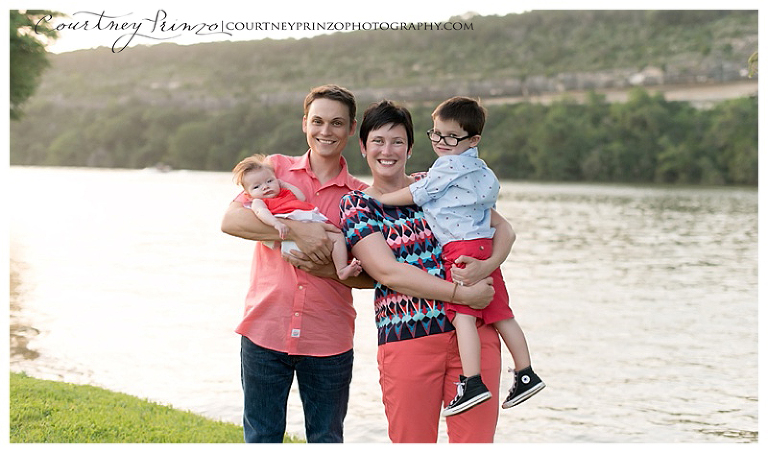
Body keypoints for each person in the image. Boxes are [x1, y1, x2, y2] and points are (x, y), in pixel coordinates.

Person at [340, 99, 514, 442]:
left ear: (410, 148)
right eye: (377, 141)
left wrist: (488, 267)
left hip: (473, 339)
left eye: (398, 141)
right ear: (363, 147)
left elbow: (502, 230)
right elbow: (388, 272)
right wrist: (462, 293)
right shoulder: (358, 204)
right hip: (408, 340)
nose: (387, 150)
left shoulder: (438, 182)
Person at [369, 96, 545, 416]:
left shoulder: (445, 168)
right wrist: (490, 263)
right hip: (482, 244)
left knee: (463, 314)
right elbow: (491, 211)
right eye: (435, 134)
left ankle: (471, 381)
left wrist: (382, 200)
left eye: (449, 137)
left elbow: (415, 194)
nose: (440, 142)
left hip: (461, 249)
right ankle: (526, 372)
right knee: (502, 314)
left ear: (473, 139)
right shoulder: (480, 169)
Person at [220, 84, 369, 443]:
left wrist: (327, 270)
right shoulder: (274, 169)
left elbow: (374, 278)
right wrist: (299, 232)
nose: (325, 131)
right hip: (265, 330)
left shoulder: (363, 196)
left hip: (328, 340)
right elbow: (231, 221)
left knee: (326, 440)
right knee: (262, 438)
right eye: (317, 121)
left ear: (351, 129)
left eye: (337, 123)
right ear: (305, 123)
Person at [232, 153, 362, 280]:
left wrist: (285, 185)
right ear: (248, 195)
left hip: (309, 227)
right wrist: (276, 223)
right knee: (332, 238)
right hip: (291, 239)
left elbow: (301, 197)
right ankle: (339, 268)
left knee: (338, 236)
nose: (265, 186)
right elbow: (261, 213)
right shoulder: (258, 202)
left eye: (269, 181)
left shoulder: (285, 193)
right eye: (257, 186)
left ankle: (341, 269)